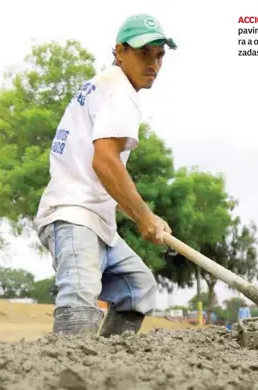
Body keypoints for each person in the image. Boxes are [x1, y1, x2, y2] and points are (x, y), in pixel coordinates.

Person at [34, 14, 177, 336]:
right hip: (73, 213)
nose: (153, 63)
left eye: (159, 54)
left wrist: (141, 215)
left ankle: (107, 369)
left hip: (95, 217)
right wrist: (145, 216)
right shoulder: (119, 92)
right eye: (144, 53)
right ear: (119, 51)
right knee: (79, 305)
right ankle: (64, 376)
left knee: (136, 289)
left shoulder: (105, 83)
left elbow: (102, 165)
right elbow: (105, 161)